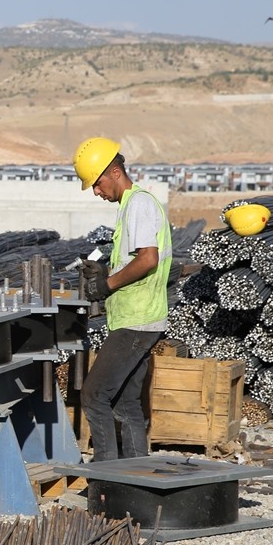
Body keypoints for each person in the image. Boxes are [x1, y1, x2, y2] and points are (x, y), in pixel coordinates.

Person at [71, 137, 172, 461]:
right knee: (127, 402)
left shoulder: (138, 204)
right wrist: (104, 269)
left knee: (94, 395)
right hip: (140, 319)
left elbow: (148, 259)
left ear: (114, 172)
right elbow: (135, 258)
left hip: (136, 321)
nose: (97, 192)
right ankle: (133, 478)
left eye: (97, 184)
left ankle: (106, 476)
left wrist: (106, 285)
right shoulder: (131, 205)